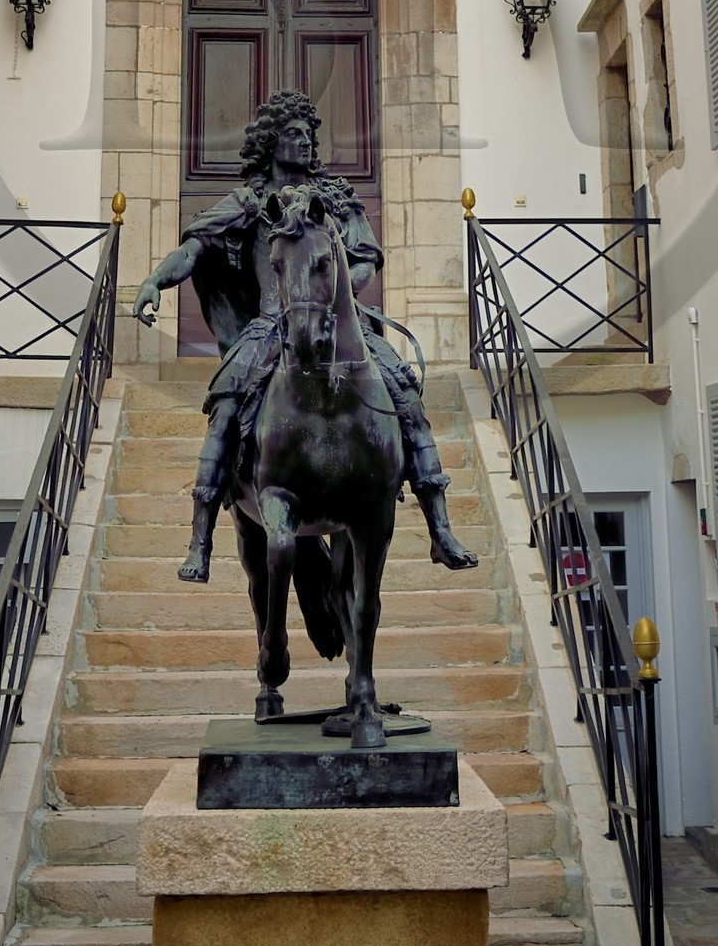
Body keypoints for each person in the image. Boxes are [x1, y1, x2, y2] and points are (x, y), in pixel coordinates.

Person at [132, 89, 479, 583]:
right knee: (226, 404)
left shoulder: (336, 197)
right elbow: (194, 247)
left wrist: (332, 293)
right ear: (270, 143)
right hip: (270, 324)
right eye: (292, 134)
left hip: (338, 322)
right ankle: (201, 537)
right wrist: (154, 281)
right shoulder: (250, 201)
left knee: (403, 389)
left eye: (308, 135)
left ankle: (439, 526)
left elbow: (364, 259)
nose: (303, 143)